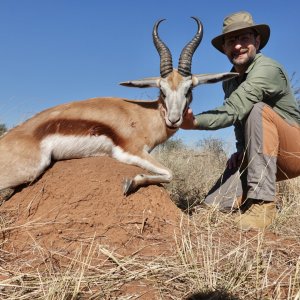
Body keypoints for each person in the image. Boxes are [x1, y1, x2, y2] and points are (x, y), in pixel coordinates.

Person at [181, 11, 300, 230]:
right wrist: (240, 150)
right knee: (209, 209)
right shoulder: (229, 81)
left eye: (244, 38)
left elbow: (235, 109)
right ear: (224, 48)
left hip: (294, 152)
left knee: (257, 110)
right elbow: (238, 125)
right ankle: (240, 201)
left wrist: (194, 122)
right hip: (263, 156)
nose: (238, 46)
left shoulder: (267, 68)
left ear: (257, 41)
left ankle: (262, 205)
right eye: (231, 40)